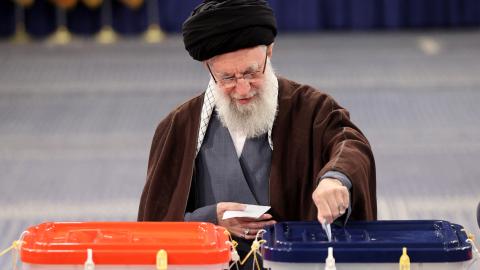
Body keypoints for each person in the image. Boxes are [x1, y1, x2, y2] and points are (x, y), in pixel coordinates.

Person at [138, 0, 376, 267]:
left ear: (270, 52)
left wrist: (336, 178)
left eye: (251, 73)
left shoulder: (310, 109)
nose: (242, 89)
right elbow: (154, 228)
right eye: (227, 78)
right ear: (208, 67)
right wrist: (210, 217)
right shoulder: (179, 127)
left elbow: (350, 143)